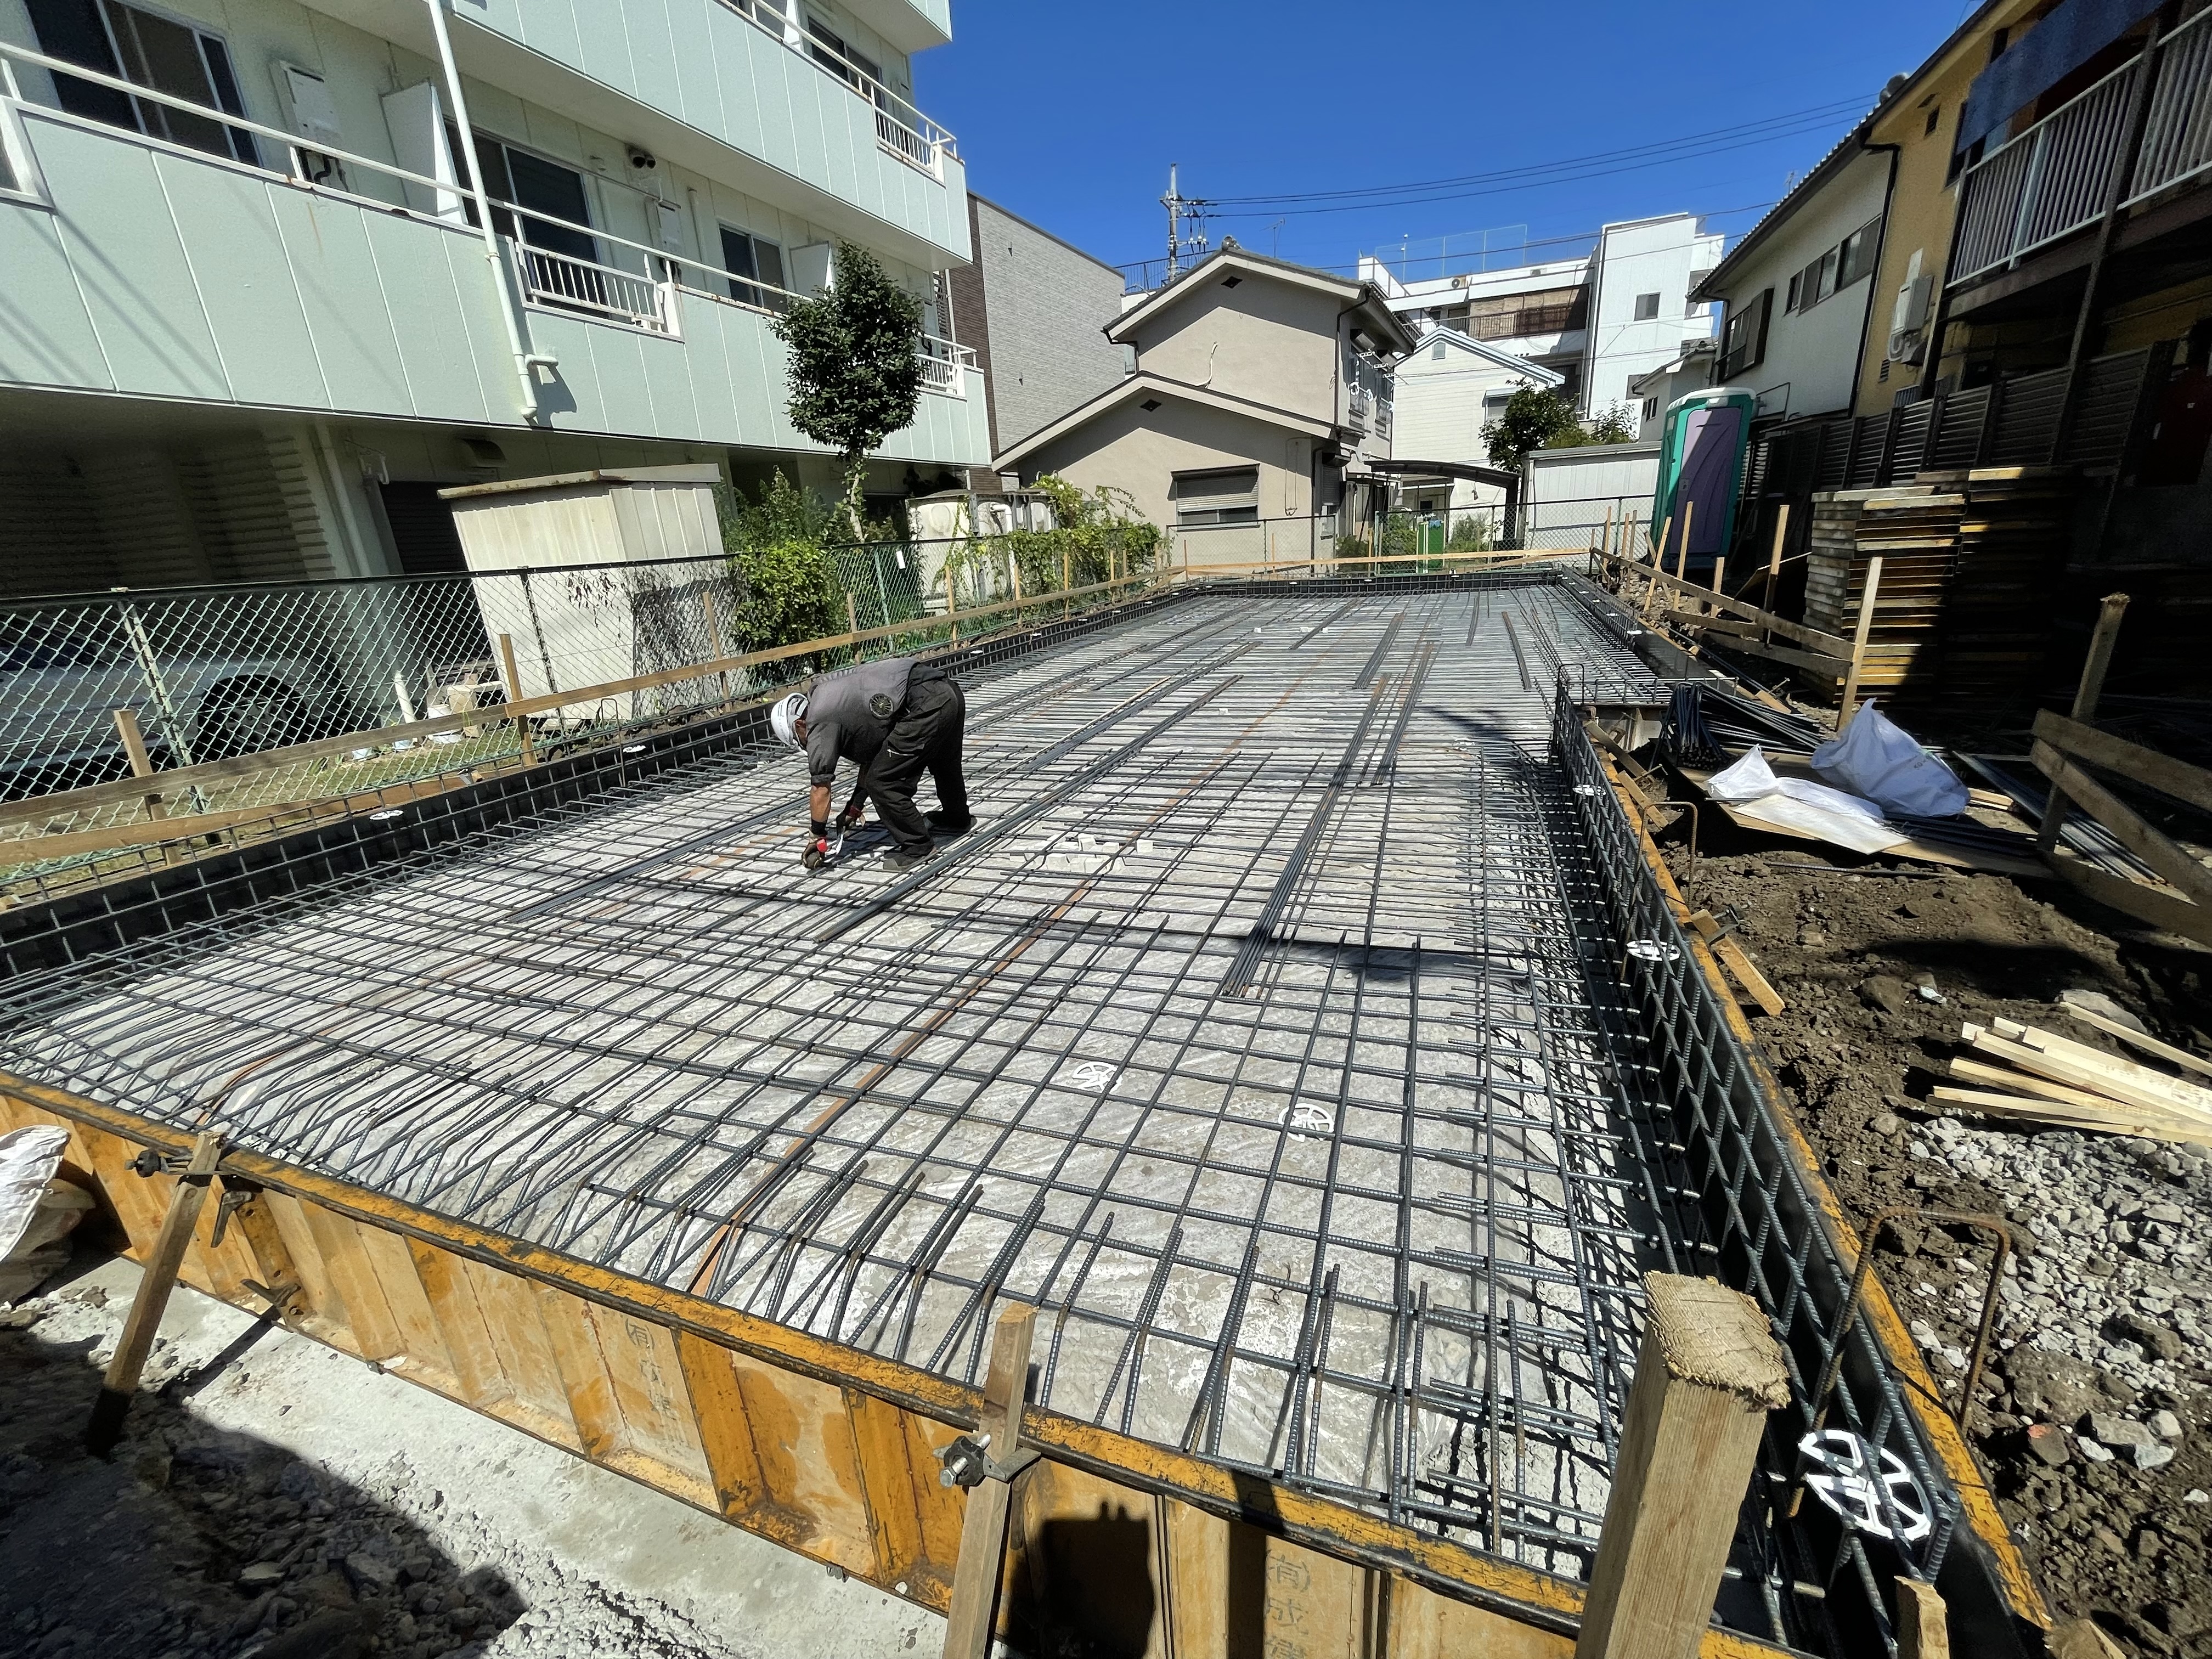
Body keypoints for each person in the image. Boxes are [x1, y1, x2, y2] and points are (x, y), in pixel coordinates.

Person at [770, 654, 970, 873]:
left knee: (883, 783)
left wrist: (816, 836)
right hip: (947, 691)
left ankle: (918, 846)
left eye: (800, 740)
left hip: (924, 704)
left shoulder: (818, 720)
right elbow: (876, 758)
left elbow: (821, 788)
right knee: (944, 761)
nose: (807, 745)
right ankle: (957, 817)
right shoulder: (830, 696)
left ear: (800, 724)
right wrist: (855, 807)